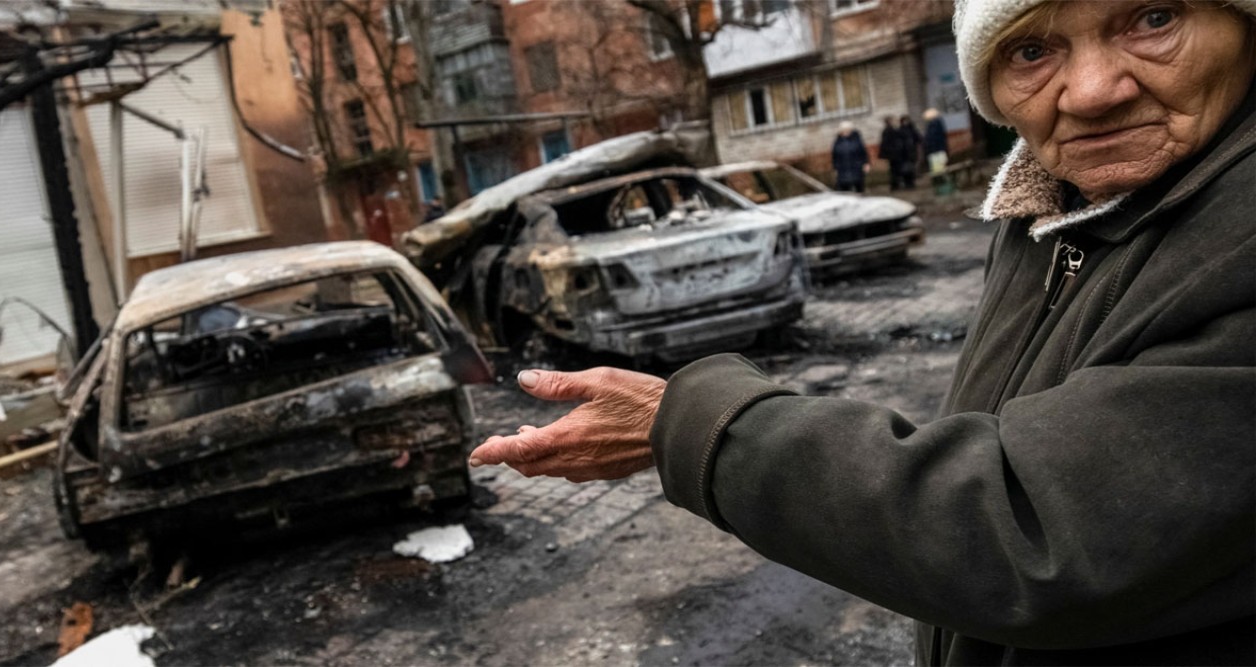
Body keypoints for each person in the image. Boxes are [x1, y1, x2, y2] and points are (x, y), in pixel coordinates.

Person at [469, 1, 1256, 664]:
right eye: (1030, 49)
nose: (1090, 91)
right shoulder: (1052, 210)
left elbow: (1030, 529)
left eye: (1152, 18)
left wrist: (688, 422)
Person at [831, 121, 870, 193]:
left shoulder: (856, 140)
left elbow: (863, 153)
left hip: (856, 168)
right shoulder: (837, 142)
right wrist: (835, 168)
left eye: (847, 130)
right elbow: (835, 156)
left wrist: (866, 163)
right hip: (843, 170)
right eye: (843, 131)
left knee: (859, 188)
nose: (845, 132)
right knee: (845, 191)